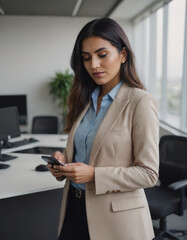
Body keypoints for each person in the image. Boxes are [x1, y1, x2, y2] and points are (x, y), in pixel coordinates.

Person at [48, 17, 159, 240]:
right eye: (86, 58)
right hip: (74, 208)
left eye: (102, 54)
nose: (94, 65)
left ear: (123, 55)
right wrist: (63, 163)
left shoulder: (140, 102)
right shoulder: (85, 100)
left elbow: (149, 174)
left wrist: (93, 175)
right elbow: (88, 152)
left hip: (116, 221)